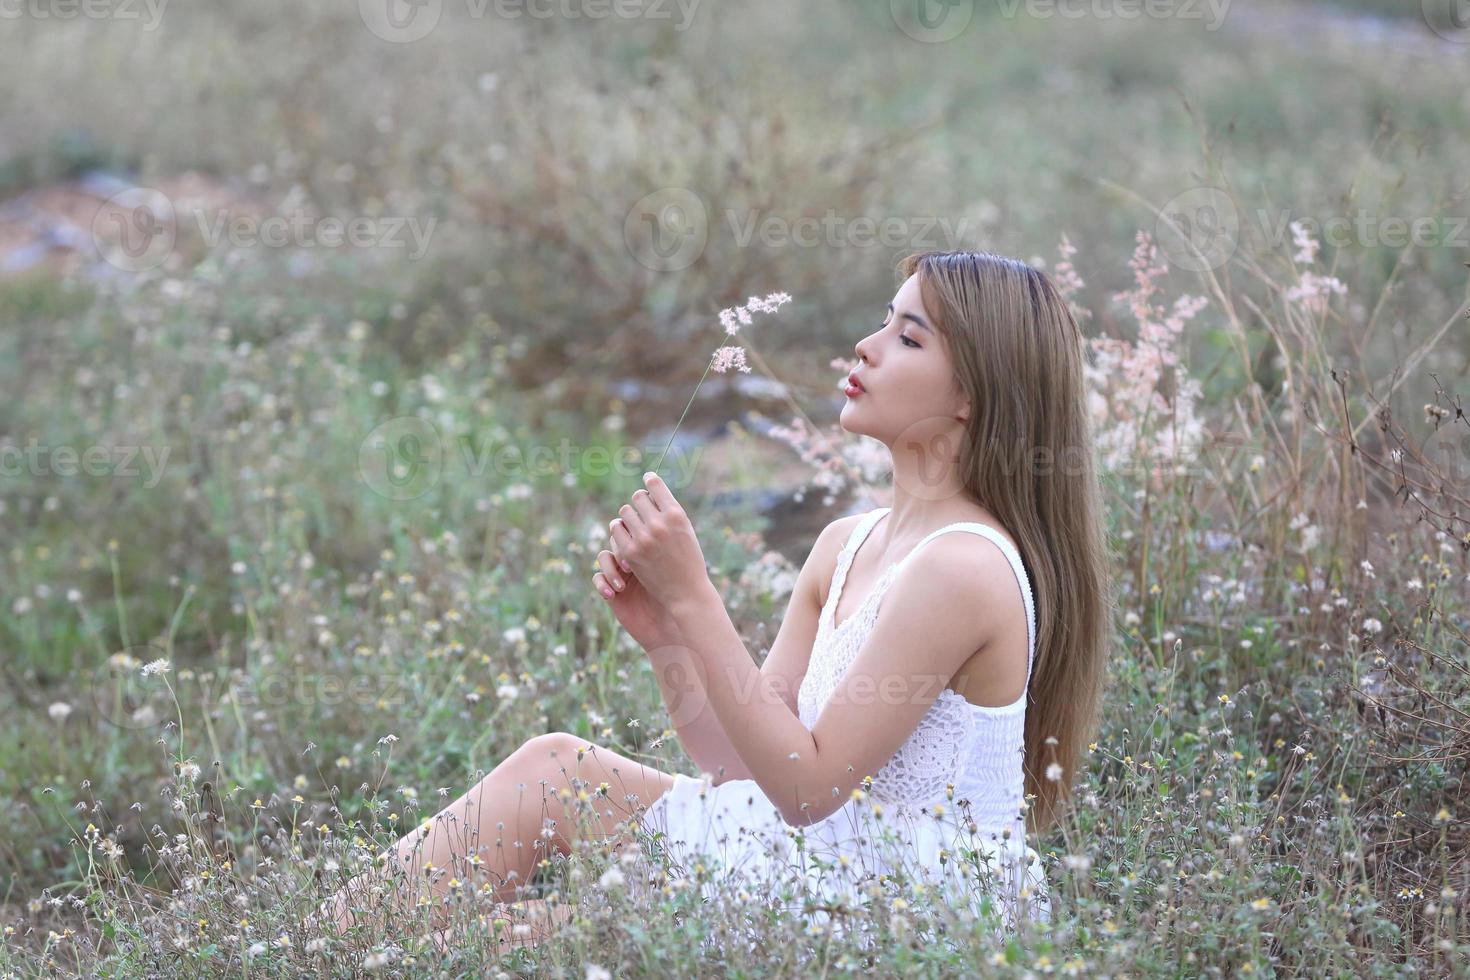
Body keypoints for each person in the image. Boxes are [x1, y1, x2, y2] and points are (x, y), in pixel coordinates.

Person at [320, 250, 1113, 953]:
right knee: (553, 770)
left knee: (529, 937)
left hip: (898, 910)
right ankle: (314, 946)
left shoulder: (963, 568)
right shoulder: (847, 544)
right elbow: (741, 765)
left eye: (909, 338)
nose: (866, 348)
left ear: (974, 394)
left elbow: (807, 789)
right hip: (815, 856)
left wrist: (698, 598)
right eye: (883, 322)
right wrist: (668, 636)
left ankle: (319, 952)